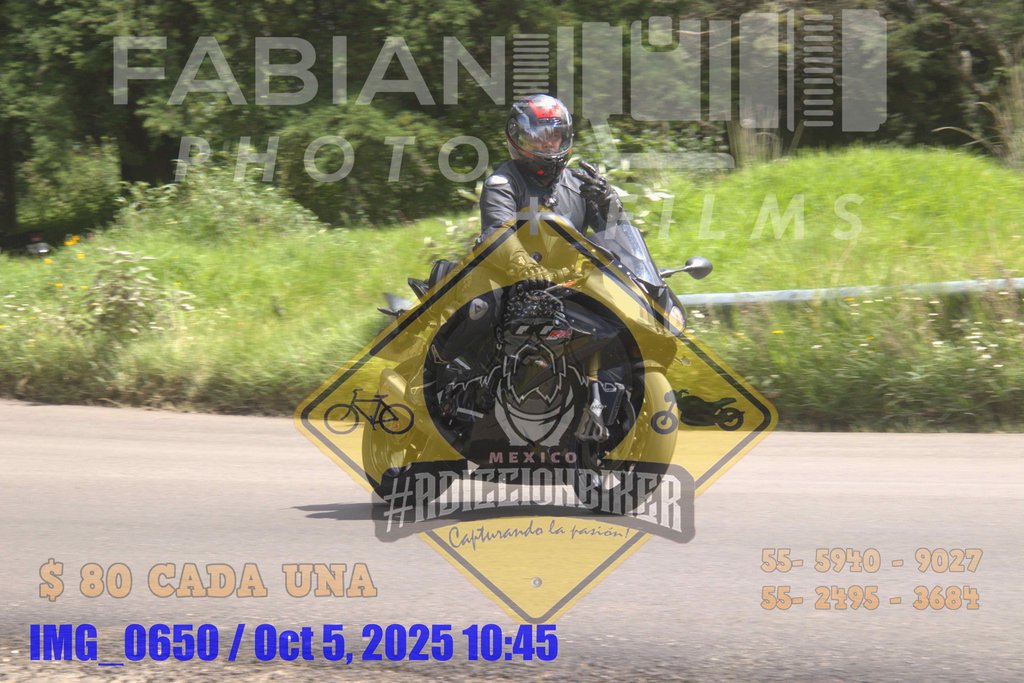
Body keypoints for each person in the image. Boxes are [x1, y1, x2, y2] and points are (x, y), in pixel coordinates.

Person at [477, 93, 626, 283]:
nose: (548, 143)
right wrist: (525, 267)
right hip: (515, 288)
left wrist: (608, 202)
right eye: (539, 136)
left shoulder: (581, 184)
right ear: (519, 138)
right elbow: (498, 234)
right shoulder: (503, 185)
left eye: (555, 135)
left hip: (575, 285)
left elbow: (620, 243)